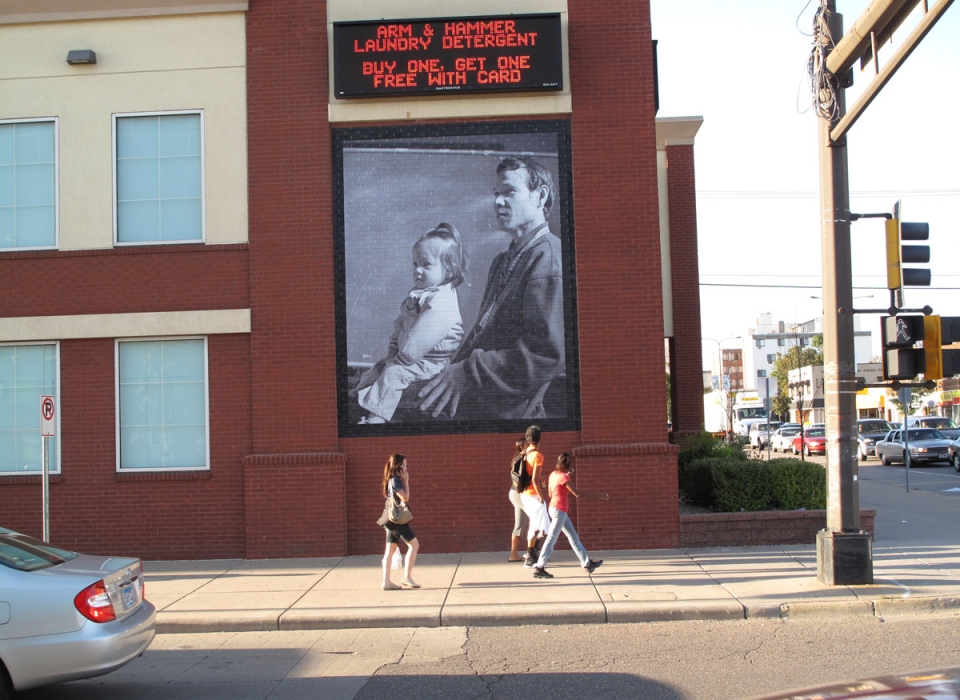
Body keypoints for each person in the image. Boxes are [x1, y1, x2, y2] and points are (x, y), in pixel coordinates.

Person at [418, 156, 564, 420]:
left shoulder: (548, 259)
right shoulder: (503, 260)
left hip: (505, 416)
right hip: (478, 402)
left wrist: (466, 372)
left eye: (509, 192)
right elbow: (483, 335)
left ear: (540, 196)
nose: (497, 202)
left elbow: (545, 356)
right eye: (496, 193)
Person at [354, 223, 466, 424]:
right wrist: (392, 351)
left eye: (426, 265)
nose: (418, 270)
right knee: (379, 367)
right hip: (410, 357)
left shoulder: (443, 303)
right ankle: (359, 399)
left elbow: (419, 340)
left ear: (449, 271)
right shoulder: (419, 294)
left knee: (393, 375)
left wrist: (400, 359)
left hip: (431, 363)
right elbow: (401, 324)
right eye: (415, 264)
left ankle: (376, 417)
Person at [532, 452, 606, 580]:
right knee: (551, 539)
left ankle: (586, 563)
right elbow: (577, 494)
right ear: (567, 465)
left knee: (573, 537)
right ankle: (540, 566)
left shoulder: (554, 475)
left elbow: (550, 493)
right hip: (559, 511)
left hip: (555, 509)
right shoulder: (564, 478)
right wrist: (600, 496)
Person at [378, 453, 420, 590]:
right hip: (396, 520)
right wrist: (406, 481)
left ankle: (395, 579)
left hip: (394, 519)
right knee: (408, 546)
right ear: (399, 467)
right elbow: (405, 498)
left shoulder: (392, 479)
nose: (407, 467)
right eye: (405, 465)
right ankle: (397, 579)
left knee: (398, 548)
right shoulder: (395, 480)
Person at [518, 425, 550, 567]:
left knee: (538, 523)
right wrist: (542, 497)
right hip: (533, 494)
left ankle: (533, 553)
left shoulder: (525, 453)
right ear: (539, 439)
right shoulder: (537, 455)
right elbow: (535, 479)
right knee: (537, 525)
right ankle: (531, 555)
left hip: (525, 493)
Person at [508, 437, 530, 562]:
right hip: (518, 493)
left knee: (519, 525)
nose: (530, 445)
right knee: (537, 519)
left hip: (515, 493)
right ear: (522, 446)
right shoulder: (522, 458)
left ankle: (513, 555)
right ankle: (531, 552)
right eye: (527, 444)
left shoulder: (518, 458)